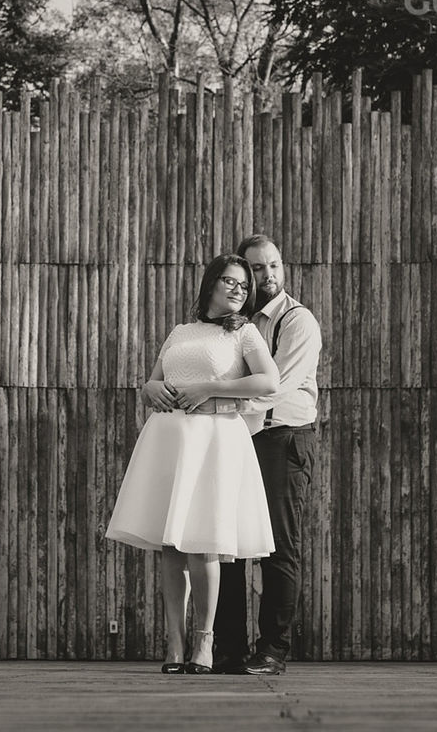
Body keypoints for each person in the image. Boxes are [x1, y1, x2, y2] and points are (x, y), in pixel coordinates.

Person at [105, 254, 282, 674]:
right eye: (231, 281)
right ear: (211, 284)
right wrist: (149, 387)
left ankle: (205, 642)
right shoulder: (180, 331)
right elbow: (154, 380)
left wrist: (208, 387)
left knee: (204, 540)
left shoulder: (244, 333)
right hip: (170, 438)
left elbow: (269, 381)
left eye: (244, 285)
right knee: (171, 545)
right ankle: (174, 644)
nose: (239, 289)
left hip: (214, 439)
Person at [207, 234, 321, 675]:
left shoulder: (297, 321)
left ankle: (273, 651)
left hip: (281, 440)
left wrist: (215, 402)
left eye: (274, 265)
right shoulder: (234, 323)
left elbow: (275, 387)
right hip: (236, 439)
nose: (268, 275)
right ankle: (228, 650)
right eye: (257, 268)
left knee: (277, 549)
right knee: (228, 547)